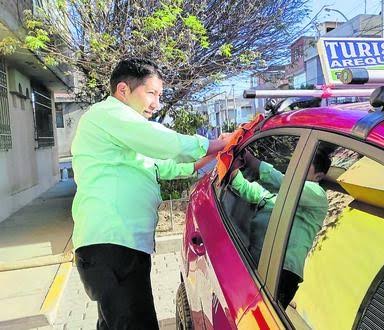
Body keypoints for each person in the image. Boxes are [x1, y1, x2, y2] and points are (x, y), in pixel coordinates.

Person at [71, 58, 231, 329]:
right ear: (123, 90)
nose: (156, 103)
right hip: (113, 243)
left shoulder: (121, 133)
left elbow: (159, 166)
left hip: (116, 245)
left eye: (160, 95)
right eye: (151, 93)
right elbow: (162, 143)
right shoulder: (109, 115)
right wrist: (214, 143)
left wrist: (206, 157)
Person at [230, 148, 331, 308]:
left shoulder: (317, 195)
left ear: (318, 176)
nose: (296, 167)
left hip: (282, 271)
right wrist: (233, 173)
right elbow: (258, 194)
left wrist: (254, 162)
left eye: (304, 165)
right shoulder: (284, 195)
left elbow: (287, 184)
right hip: (260, 263)